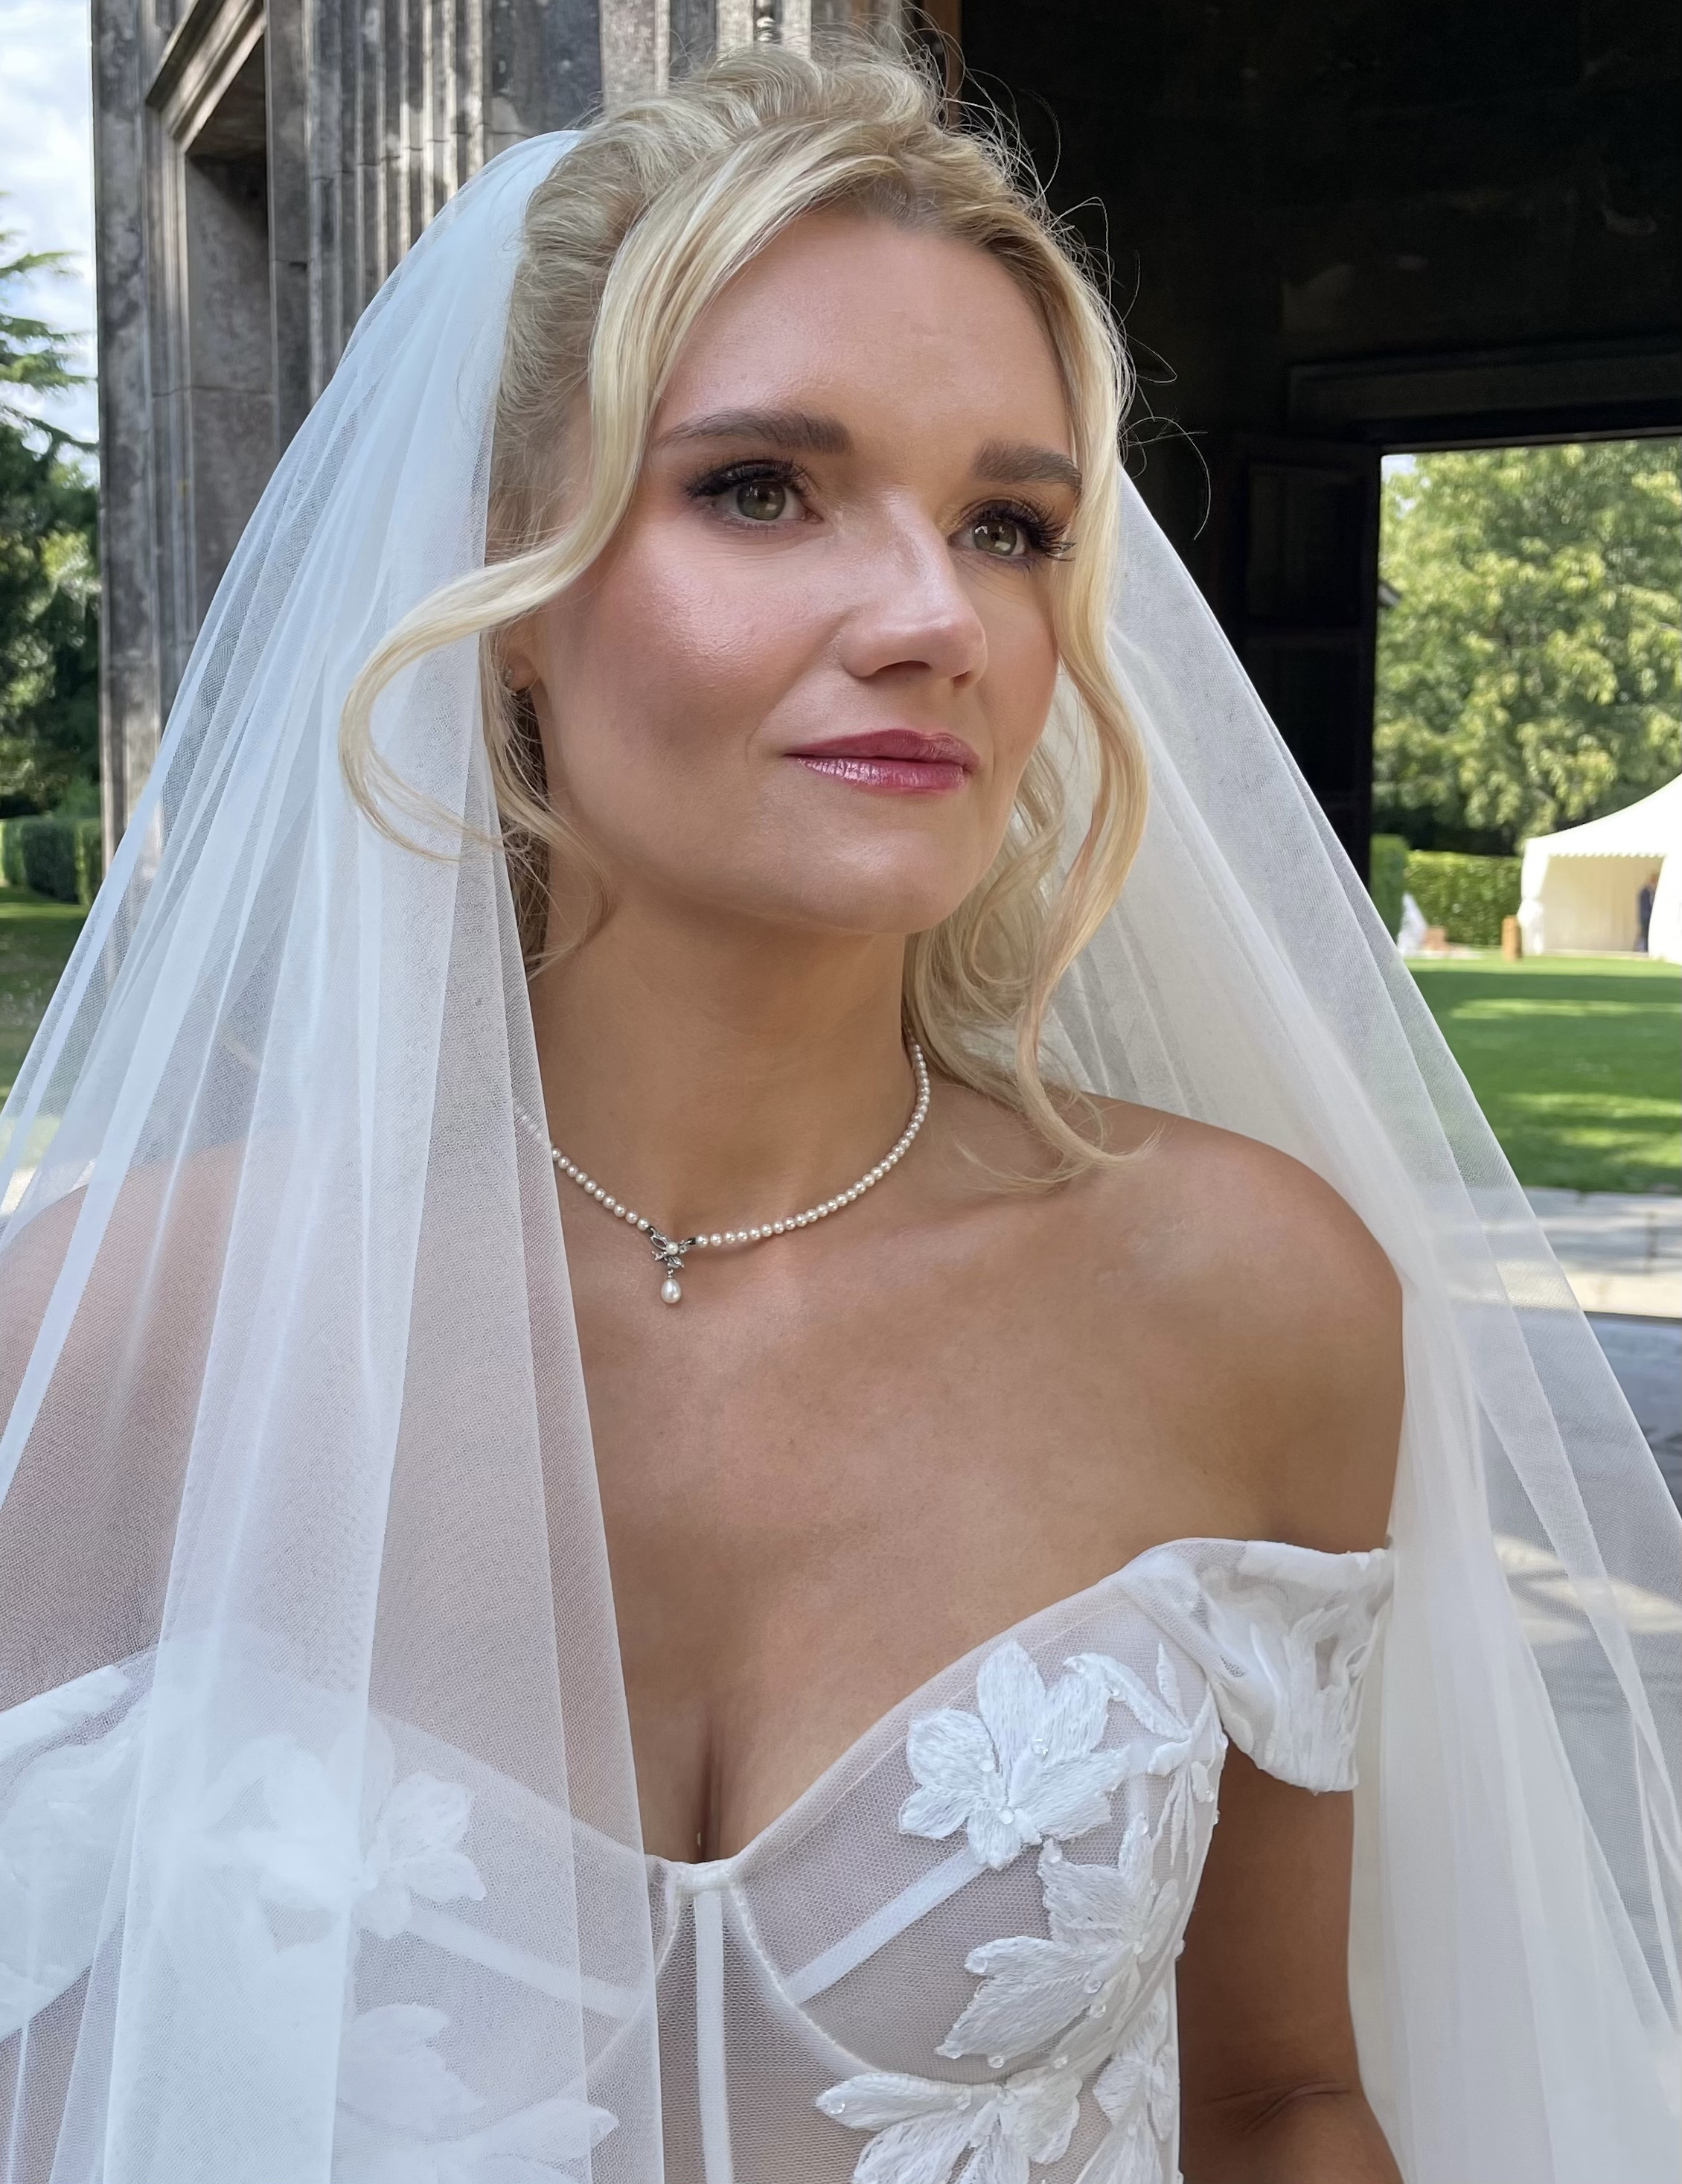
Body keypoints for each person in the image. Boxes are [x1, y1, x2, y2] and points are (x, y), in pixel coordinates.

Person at [0, 45, 1676, 2184]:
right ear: (506, 575)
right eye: (762, 488)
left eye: (1008, 524)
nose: (929, 618)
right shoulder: (120, 1336)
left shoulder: (1252, 1298)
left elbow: (1274, 2095)